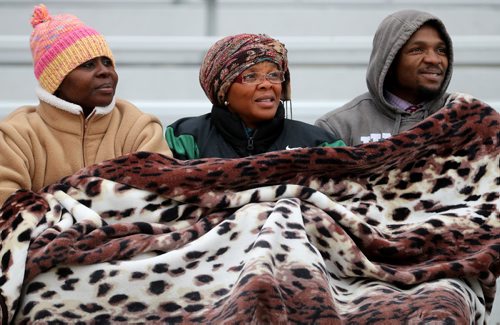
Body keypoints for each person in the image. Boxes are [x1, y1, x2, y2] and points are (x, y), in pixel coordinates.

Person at [0, 4, 172, 206]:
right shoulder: (17, 135)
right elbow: (9, 209)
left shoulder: (138, 126)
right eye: (89, 65)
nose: (105, 72)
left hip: (130, 236)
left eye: (107, 62)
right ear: (57, 80)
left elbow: (162, 197)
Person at [165, 33, 345, 159]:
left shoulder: (319, 144)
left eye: (274, 75)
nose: (267, 84)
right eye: (251, 76)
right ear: (223, 90)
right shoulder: (184, 138)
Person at [315, 9, 453, 146]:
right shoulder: (338, 127)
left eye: (441, 50)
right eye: (417, 50)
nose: (434, 59)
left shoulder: (462, 118)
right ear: (388, 59)